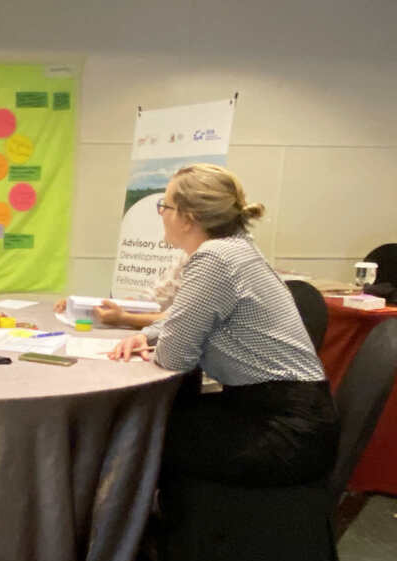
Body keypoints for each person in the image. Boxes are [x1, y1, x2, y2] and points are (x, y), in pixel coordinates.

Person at [110, 164, 338, 486]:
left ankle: (140, 531)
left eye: (165, 206)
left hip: (283, 432)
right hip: (296, 416)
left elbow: (175, 357)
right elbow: (190, 318)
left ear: (188, 218)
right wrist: (146, 335)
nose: (161, 213)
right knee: (158, 423)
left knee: (135, 435)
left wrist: (157, 341)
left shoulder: (215, 259)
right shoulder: (237, 248)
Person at [52, 249, 187, 328]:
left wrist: (124, 318)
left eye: (166, 207)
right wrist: (80, 305)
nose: (161, 213)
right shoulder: (185, 254)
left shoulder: (203, 260)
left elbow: (181, 320)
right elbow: (150, 299)